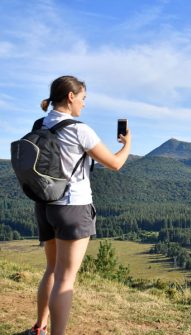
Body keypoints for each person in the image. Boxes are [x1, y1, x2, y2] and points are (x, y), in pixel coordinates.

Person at [29, 75, 131, 335]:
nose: (84, 105)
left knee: (51, 269)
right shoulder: (79, 129)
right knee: (66, 279)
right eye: (83, 98)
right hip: (73, 208)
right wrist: (127, 144)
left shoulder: (39, 124)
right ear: (71, 97)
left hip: (45, 205)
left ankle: (39, 328)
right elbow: (115, 163)